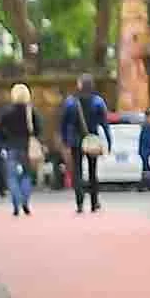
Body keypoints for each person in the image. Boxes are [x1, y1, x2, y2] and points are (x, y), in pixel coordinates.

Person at [57, 78, 111, 215]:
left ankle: (80, 202)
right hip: (92, 139)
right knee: (93, 171)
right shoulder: (98, 101)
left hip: (76, 140)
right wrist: (108, 141)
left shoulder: (71, 102)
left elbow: (63, 123)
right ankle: (94, 202)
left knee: (77, 171)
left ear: (79, 86)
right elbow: (105, 123)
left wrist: (65, 139)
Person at [0, 86, 35, 214]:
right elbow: (38, 129)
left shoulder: (6, 112)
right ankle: (25, 201)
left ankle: (16, 204)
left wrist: (4, 140)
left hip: (11, 147)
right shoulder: (31, 111)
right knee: (26, 176)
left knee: (12, 177)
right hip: (26, 147)